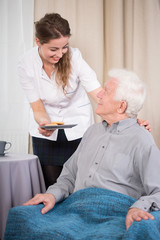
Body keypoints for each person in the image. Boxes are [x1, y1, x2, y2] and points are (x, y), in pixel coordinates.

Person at [18, 13, 150, 188]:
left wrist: (131, 119)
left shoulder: (74, 58)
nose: (60, 54)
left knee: (79, 182)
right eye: (53, 49)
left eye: (64, 47)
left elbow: (99, 94)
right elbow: (37, 106)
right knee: (53, 184)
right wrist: (44, 123)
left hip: (77, 125)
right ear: (38, 42)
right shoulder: (25, 64)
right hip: (45, 132)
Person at [23, 68, 160, 230]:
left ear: (121, 106)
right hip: (75, 208)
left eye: (106, 91)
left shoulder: (141, 139)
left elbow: (157, 190)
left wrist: (138, 207)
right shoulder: (92, 132)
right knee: (21, 216)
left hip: (114, 213)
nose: (99, 94)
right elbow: (69, 176)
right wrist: (51, 194)